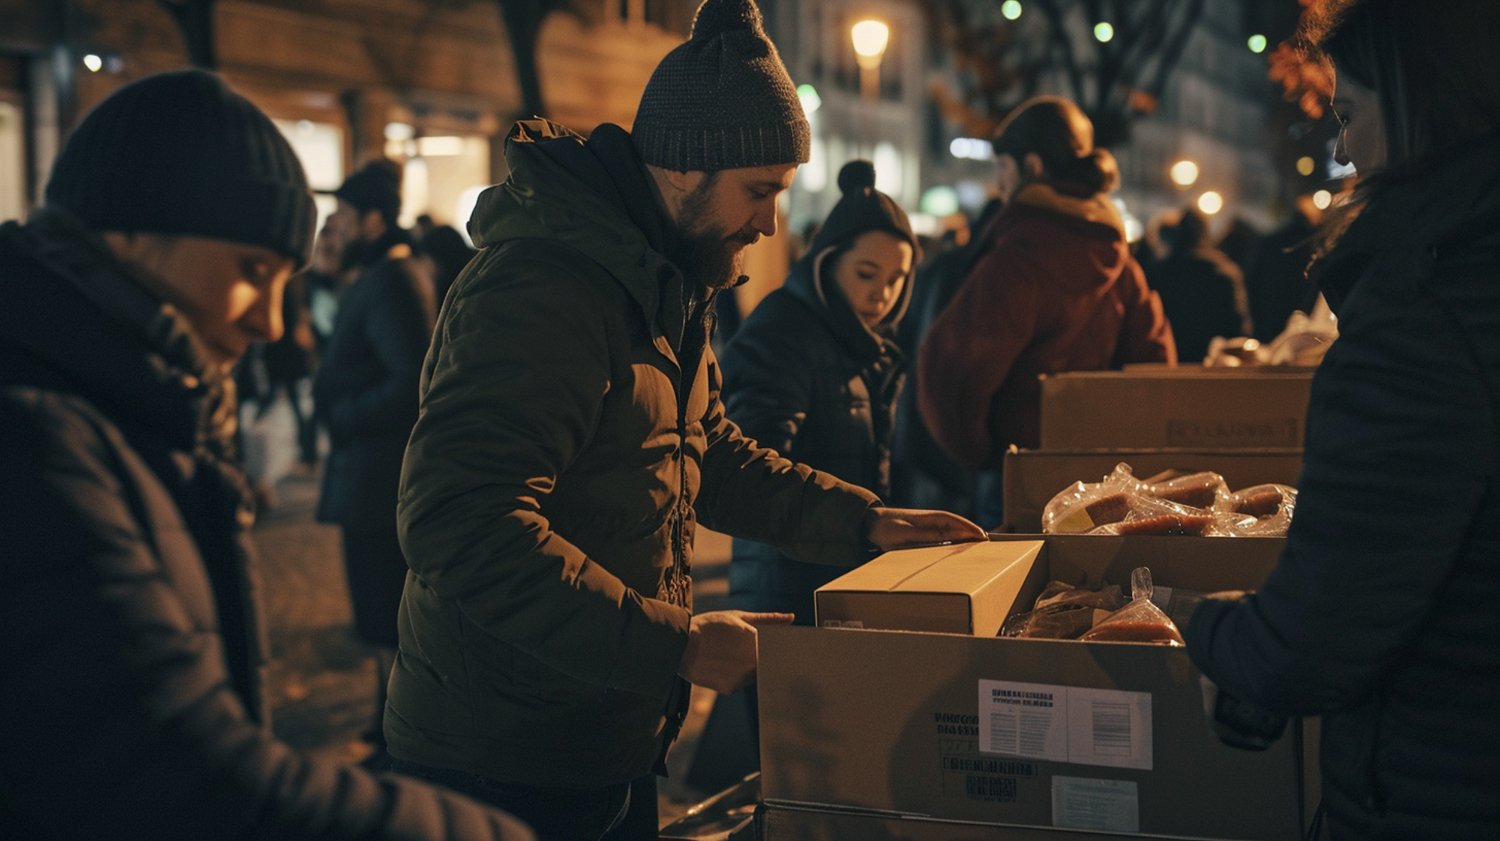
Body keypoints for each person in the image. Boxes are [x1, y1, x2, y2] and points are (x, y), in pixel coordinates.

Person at [384, 2, 985, 838]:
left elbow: (709, 455)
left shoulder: (667, 279)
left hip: (606, 726)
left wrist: (863, 521)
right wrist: (679, 646)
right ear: (686, 167)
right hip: (502, 751)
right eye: (760, 191)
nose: (771, 221)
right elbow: (459, 523)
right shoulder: (544, 290)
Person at [0, 69, 531, 840]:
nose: (273, 325)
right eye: (253, 272)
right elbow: (173, 776)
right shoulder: (36, 439)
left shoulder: (131, 412)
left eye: (288, 281)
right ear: (132, 229)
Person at [1185, 1, 1500, 838]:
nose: (1345, 147)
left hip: (1438, 786)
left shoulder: (1424, 317)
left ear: (1420, 99)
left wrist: (1201, 625)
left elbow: (1315, 635)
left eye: (1351, 112)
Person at [916, 96, 1175, 524]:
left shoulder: (1021, 256)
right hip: (1103, 482)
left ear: (1032, 166)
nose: (998, 184)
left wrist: (985, 457)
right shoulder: (1120, 261)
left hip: (1022, 476)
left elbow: (952, 373)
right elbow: (1154, 366)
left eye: (1003, 168)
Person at [721, 159, 919, 625]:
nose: (882, 295)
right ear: (828, 264)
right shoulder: (783, 333)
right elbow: (754, 473)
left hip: (843, 572)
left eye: (896, 281)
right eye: (867, 274)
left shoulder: (870, 348)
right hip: (784, 587)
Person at [314, 159, 436, 762]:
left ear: (369, 219)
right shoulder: (379, 276)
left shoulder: (390, 280)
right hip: (368, 474)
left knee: (387, 606)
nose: (331, 228)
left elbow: (413, 378)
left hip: (378, 474)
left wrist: (342, 414)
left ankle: (398, 732)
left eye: (338, 215)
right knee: (376, 606)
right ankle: (384, 723)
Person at [1149, 205, 1253, 362]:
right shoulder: (1225, 271)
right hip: (1214, 367)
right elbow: (1238, 328)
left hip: (1171, 365)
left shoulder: (1158, 274)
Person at [1241, 191, 1324, 342]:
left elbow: (1252, 286)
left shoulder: (1267, 244)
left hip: (1269, 325)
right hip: (1306, 331)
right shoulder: (1316, 245)